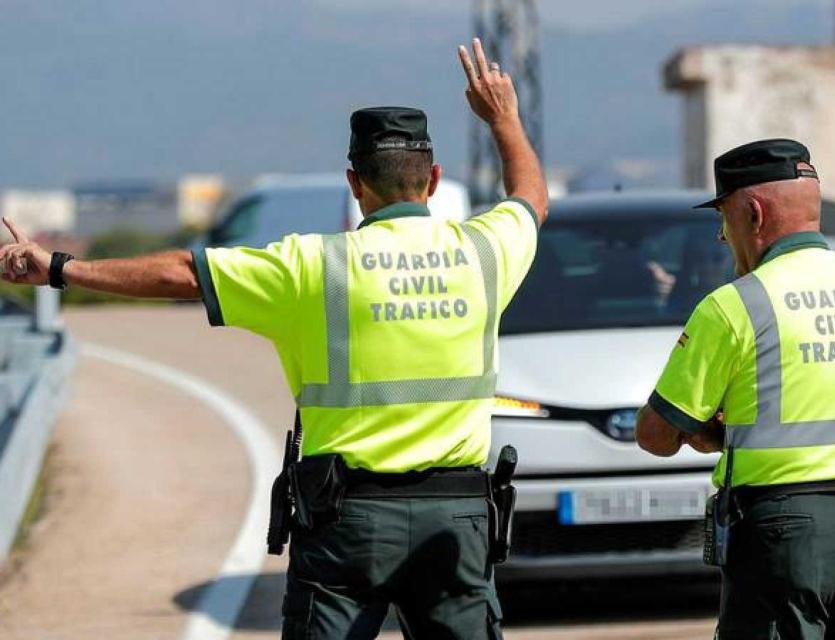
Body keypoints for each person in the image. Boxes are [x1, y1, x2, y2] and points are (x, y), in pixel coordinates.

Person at [0, 38, 547, 639]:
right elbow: (530, 200)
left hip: (348, 522)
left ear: (354, 182)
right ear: (434, 179)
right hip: (457, 521)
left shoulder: (312, 266)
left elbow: (184, 273)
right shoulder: (485, 252)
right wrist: (503, 118)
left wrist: (60, 268)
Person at [634, 139, 835, 639]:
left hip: (785, 530)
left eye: (724, 217)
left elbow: (656, 435)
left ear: (753, 214)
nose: (721, 235)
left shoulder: (735, 306)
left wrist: (711, 433)